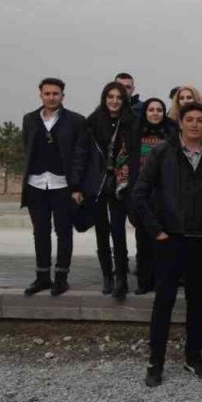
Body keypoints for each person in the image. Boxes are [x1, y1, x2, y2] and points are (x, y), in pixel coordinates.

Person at [133, 102, 202, 387]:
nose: (196, 124)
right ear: (181, 123)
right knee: (164, 302)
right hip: (169, 240)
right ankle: (155, 362)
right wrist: (156, 231)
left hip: (200, 240)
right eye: (190, 120)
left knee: (197, 302)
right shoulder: (163, 152)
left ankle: (194, 357)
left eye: (200, 120)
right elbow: (139, 194)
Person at [20, 78, 89, 297]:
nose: (51, 97)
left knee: (64, 232)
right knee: (40, 232)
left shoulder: (76, 121)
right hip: (35, 185)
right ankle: (42, 277)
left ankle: (61, 278)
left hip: (63, 185)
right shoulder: (29, 119)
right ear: (40, 95)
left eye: (55, 93)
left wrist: (76, 187)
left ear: (62, 96)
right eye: (47, 93)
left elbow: (80, 156)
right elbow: (27, 149)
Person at [88, 81, 133, 300]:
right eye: (110, 97)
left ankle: (122, 277)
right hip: (98, 183)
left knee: (118, 229)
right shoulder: (94, 120)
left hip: (120, 183)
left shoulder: (131, 121)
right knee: (101, 231)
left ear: (124, 100)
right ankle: (107, 275)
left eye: (118, 97)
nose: (114, 101)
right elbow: (84, 153)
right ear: (105, 98)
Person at [127, 98, 175, 295]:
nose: (155, 113)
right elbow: (124, 161)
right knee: (144, 241)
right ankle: (145, 282)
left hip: (167, 195)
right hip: (142, 195)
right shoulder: (135, 135)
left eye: (159, 110)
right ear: (145, 113)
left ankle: (165, 281)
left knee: (166, 241)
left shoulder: (172, 136)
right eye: (151, 110)